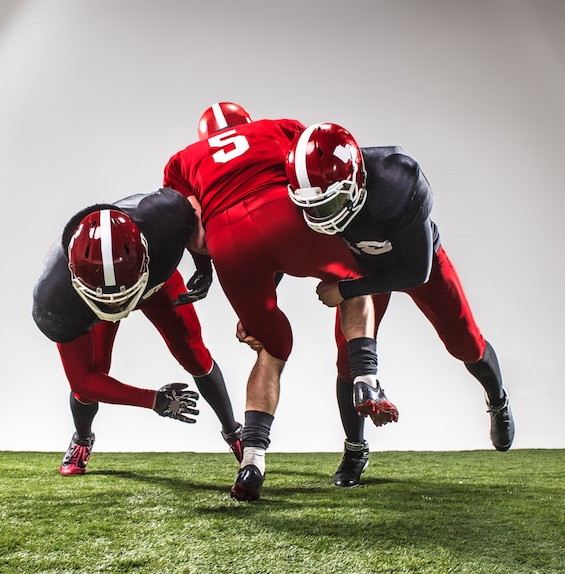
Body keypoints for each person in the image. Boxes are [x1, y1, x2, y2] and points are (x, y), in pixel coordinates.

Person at [164, 102, 397, 501]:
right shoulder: (277, 127)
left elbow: (190, 225)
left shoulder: (182, 160)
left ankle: (252, 458)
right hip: (285, 213)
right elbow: (311, 166)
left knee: (272, 350)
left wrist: (203, 268)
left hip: (227, 242)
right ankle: (366, 378)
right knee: (353, 280)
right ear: (249, 124)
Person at [285, 122, 515, 487]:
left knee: (465, 343)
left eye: (332, 201)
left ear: (358, 180)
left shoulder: (397, 179)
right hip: (359, 265)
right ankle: (355, 447)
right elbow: (280, 246)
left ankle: (497, 399)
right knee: (348, 361)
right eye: (315, 204)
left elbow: (417, 271)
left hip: (414, 262)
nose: (324, 215)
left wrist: (345, 291)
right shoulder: (306, 194)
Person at [32, 188, 242, 475]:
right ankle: (82, 438)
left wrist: (204, 265)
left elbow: (194, 214)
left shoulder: (164, 218)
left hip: (150, 287)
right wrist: (154, 400)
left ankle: (233, 432)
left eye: (122, 295)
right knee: (95, 372)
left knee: (193, 353)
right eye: (109, 297)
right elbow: (83, 382)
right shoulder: (55, 297)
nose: (118, 304)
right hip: (102, 299)